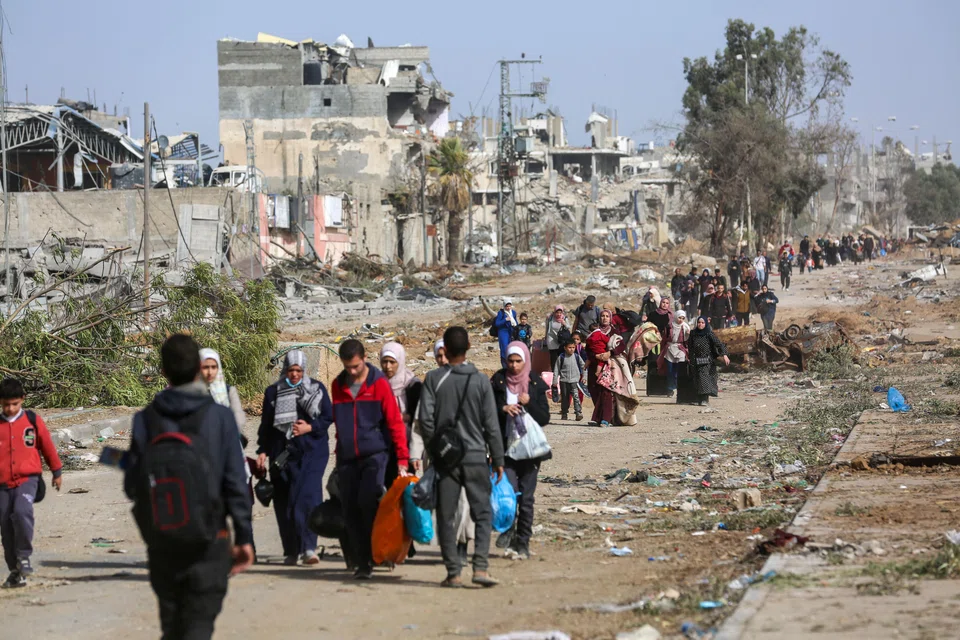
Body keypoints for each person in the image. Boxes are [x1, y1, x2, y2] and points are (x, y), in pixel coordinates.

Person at [125, 335, 253, 639]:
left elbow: (133, 484)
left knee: (172, 627)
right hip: (209, 540)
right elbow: (235, 481)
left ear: (163, 371)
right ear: (198, 368)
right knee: (197, 626)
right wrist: (244, 536)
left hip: (163, 542)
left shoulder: (145, 419)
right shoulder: (220, 418)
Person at [419, 326, 505, 588]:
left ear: (444, 349)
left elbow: (425, 420)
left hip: (447, 462)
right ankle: (480, 567)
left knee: (446, 515)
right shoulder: (480, 380)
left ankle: (454, 572)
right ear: (468, 347)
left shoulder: (434, 379)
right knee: (482, 512)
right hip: (477, 456)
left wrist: (437, 451)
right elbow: (491, 424)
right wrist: (498, 458)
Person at [331, 340, 408, 580]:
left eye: (355, 366)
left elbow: (395, 423)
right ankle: (362, 561)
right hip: (347, 457)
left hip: (375, 455)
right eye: (347, 367)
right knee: (350, 509)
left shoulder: (379, 385)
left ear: (364, 358)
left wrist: (403, 459)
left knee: (369, 502)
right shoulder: (337, 385)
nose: (351, 371)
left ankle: (378, 553)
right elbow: (339, 423)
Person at [256, 350, 333, 566]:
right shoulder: (273, 392)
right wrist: (262, 450)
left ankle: (309, 548)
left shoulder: (316, 389)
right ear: (285, 370)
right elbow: (266, 425)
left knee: (308, 498)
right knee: (284, 502)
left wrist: (310, 426)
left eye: (299, 370)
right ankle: (291, 550)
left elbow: (328, 416)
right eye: (291, 370)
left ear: (304, 370)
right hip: (281, 454)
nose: (295, 375)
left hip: (312, 453)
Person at [0, 378, 63, 589]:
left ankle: (25, 555)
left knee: (21, 511)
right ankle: (15, 570)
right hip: (2, 485)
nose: (10, 409)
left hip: (28, 479)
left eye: (14, 404)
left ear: (22, 400)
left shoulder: (32, 420)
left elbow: (47, 446)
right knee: (6, 528)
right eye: (6, 404)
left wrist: (57, 471)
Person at [491, 342, 551, 560]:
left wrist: (530, 403)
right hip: (506, 450)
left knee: (526, 499)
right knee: (508, 496)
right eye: (511, 361)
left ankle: (523, 542)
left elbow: (544, 418)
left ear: (525, 360)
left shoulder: (534, 382)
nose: (514, 366)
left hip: (530, 451)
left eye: (518, 361)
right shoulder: (498, 381)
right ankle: (508, 529)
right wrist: (503, 409)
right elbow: (487, 414)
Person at [586, 310, 639, 427]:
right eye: (602, 316)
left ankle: (607, 419)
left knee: (607, 391)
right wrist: (594, 356)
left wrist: (610, 353)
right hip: (595, 364)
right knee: (594, 389)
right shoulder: (594, 330)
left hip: (609, 365)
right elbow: (588, 347)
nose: (604, 318)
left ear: (610, 318)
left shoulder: (614, 331)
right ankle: (599, 417)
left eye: (607, 316)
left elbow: (621, 345)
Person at [380, 342, 424, 477]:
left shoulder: (412, 385)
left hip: (405, 443)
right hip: (382, 443)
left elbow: (420, 415)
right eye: (384, 362)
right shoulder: (377, 383)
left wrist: (403, 417)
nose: (388, 367)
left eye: (392, 362)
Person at [688, 318, 730, 406]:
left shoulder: (709, 333)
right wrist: (690, 358)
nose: (700, 324)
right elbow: (690, 347)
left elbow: (719, 344)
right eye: (699, 322)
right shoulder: (693, 333)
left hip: (706, 359)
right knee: (697, 379)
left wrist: (724, 355)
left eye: (703, 323)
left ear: (706, 324)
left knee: (704, 378)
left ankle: (704, 399)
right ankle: (699, 399)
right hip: (695, 360)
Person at [552, 338, 586, 421]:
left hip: (574, 381)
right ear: (565, 348)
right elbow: (556, 369)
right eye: (569, 347)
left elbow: (584, 367)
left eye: (573, 347)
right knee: (565, 398)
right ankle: (564, 413)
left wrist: (584, 377)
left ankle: (578, 413)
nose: (571, 349)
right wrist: (555, 380)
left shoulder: (577, 357)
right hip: (564, 381)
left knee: (576, 397)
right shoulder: (561, 357)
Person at [662, 310, 690, 397]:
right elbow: (664, 338)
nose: (681, 320)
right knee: (670, 371)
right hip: (670, 349)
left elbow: (687, 340)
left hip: (680, 349)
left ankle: (679, 388)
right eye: (679, 317)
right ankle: (670, 389)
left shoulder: (685, 327)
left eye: (683, 318)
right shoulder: (669, 326)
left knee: (679, 370)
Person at [544, 305, 572, 371]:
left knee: (561, 355)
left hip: (561, 339)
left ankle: (561, 371)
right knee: (553, 357)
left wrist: (564, 323)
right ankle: (554, 372)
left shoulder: (564, 318)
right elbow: (547, 327)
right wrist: (545, 335)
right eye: (557, 312)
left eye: (560, 312)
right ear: (554, 312)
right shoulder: (550, 317)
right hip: (551, 339)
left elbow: (568, 327)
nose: (559, 314)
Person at [493, 301, 518, 368]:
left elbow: (516, 322)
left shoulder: (513, 312)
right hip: (503, 333)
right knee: (504, 349)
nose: (508, 308)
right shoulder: (501, 313)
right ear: (504, 306)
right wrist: (505, 319)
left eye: (509, 306)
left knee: (511, 349)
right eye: (507, 306)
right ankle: (505, 366)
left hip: (511, 332)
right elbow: (497, 324)